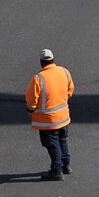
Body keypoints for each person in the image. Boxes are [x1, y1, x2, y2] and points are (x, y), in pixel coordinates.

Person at [25, 49, 75, 181]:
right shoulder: (64, 72)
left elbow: (31, 101)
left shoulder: (39, 78)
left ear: (41, 62)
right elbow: (70, 90)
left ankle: (57, 171)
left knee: (52, 145)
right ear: (53, 60)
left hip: (48, 121)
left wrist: (30, 110)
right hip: (63, 117)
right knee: (62, 140)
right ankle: (66, 165)